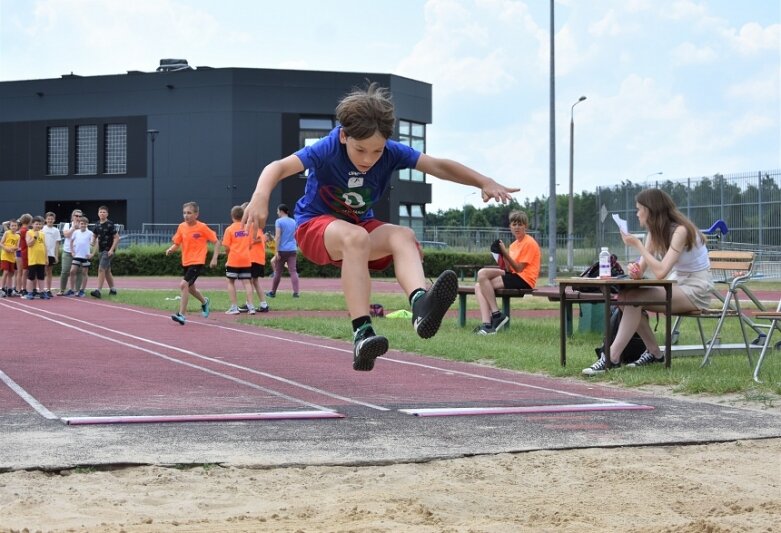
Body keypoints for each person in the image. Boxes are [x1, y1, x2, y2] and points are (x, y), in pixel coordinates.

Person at [243, 82, 518, 372]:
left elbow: (438, 166)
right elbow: (277, 167)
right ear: (344, 136)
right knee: (356, 236)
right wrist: (261, 196)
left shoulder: (390, 152)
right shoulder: (326, 148)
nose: (367, 159)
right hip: (315, 227)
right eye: (360, 150)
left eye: (376, 151)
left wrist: (483, 181)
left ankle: (421, 307)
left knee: (404, 236)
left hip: (358, 228)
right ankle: (362, 333)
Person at [582, 188, 714, 375]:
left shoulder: (680, 231)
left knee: (633, 298)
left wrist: (637, 245)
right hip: (677, 283)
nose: (637, 214)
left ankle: (611, 357)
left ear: (650, 210)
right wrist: (635, 271)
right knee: (625, 297)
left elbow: (660, 272)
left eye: (639, 209)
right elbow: (642, 268)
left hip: (696, 288)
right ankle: (654, 353)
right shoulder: (655, 232)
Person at [473, 210, 540, 335]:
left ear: (525, 226)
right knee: (480, 280)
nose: (517, 227)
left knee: (482, 281)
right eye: (514, 224)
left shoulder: (529, 243)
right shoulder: (514, 245)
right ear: (510, 227)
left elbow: (519, 269)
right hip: (514, 275)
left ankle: (496, 315)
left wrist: (504, 252)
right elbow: (509, 269)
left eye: (520, 224)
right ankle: (487, 324)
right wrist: (500, 254)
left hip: (524, 279)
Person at [165, 201, 221, 325]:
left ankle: (181, 315)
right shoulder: (181, 227)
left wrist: (214, 258)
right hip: (186, 261)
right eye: (184, 213)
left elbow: (217, 242)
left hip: (198, 261)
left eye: (189, 213)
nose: (186, 215)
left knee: (183, 285)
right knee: (190, 288)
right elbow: (177, 243)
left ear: (196, 214)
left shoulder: (202, 227)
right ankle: (204, 302)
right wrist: (171, 249)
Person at [221, 205, 257, 315]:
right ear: (244, 217)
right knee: (247, 283)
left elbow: (226, 246)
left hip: (233, 259)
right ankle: (251, 306)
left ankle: (234, 307)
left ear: (232, 216)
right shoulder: (248, 229)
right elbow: (251, 244)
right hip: (246, 259)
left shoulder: (229, 229)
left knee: (230, 281)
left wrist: (229, 254)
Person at [265, 204, 300, 298]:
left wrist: (276, 251)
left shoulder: (279, 221)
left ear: (281, 211)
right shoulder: (294, 221)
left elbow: (278, 236)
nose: (277, 213)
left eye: (277, 211)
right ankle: (296, 293)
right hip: (292, 249)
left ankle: (273, 292)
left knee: (278, 272)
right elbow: (296, 235)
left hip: (282, 250)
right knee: (293, 271)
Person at [90, 205, 120, 298]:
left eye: (104, 212)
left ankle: (98, 291)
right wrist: (93, 241)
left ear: (107, 214)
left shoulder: (110, 224)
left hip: (108, 251)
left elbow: (116, 237)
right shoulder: (97, 224)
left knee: (101, 269)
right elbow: (94, 235)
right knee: (107, 271)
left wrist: (111, 250)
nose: (102, 213)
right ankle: (113, 290)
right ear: (98, 213)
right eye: (100, 212)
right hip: (101, 250)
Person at [67, 215, 94, 297]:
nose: (83, 225)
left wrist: (92, 254)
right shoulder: (76, 232)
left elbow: (95, 243)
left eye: (85, 224)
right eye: (81, 223)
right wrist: (72, 251)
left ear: (87, 224)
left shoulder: (90, 233)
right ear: (79, 224)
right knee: (72, 271)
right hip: (77, 255)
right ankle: (72, 289)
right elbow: (71, 242)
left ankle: (82, 290)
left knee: (84, 273)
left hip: (85, 256)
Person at [59, 209, 84, 295]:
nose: (78, 218)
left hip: (79, 253)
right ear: (72, 217)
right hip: (67, 251)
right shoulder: (68, 225)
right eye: (76, 216)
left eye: (80, 216)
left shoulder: (83, 226)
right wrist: (74, 228)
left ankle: (76, 290)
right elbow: (66, 235)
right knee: (65, 271)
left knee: (79, 271)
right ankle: (62, 290)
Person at [24, 216, 48, 299]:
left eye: (39, 224)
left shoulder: (42, 234)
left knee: (41, 276)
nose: (38, 226)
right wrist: (35, 236)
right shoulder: (29, 232)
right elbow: (29, 244)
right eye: (36, 224)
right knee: (31, 276)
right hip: (33, 259)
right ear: (32, 224)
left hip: (41, 259)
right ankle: (29, 292)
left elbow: (44, 246)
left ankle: (42, 292)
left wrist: (46, 258)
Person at [41, 212, 61, 298]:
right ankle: (41, 289)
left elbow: (57, 244)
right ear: (45, 219)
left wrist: (56, 255)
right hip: (42, 253)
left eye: (51, 219)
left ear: (54, 220)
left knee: (49, 272)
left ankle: (48, 289)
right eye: (48, 219)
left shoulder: (56, 230)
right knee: (42, 272)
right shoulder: (42, 229)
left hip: (51, 254)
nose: (50, 220)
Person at [1, 219, 20, 297]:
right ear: (10, 226)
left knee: (11, 274)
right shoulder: (7, 233)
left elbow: (17, 247)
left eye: (15, 225)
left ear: (17, 227)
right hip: (5, 256)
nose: (14, 227)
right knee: (5, 272)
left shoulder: (18, 236)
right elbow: (1, 243)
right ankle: (2, 289)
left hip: (12, 257)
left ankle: (9, 289)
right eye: (12, 225)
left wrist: (13, 249)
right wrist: (6, 248)